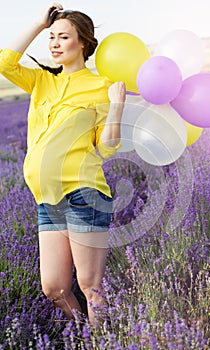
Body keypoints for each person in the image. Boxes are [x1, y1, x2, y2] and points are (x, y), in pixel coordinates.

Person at [0, 3, 126, 325]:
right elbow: (4, 61)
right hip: (47, 199)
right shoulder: (42, 81)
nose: (54, 43)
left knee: (90, 286)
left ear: (82, 42)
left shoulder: (101, 86)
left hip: (83, 194)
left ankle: (104, 343)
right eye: (52, 37)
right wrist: (38, 25)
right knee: (54, 288)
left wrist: (117, 107)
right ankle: (84, 336)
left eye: (63, 37)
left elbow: (107, 148)